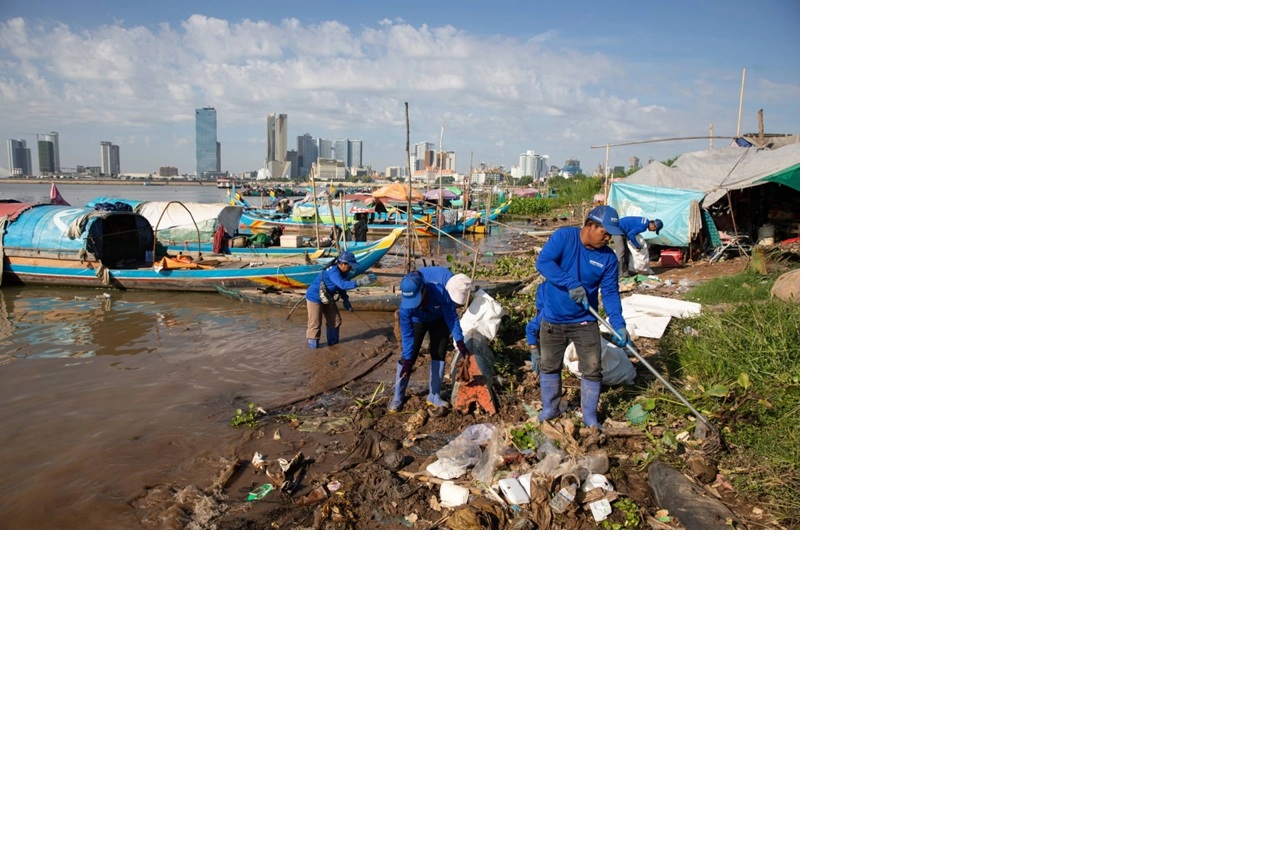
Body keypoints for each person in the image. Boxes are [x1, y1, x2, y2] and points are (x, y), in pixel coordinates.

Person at [533, 204, 630, 433]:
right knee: (549, 365)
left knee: (593, 367)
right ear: (589, 225)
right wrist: (571, 283)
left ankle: (589, 415)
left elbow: (609, 293)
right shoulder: (565, 237)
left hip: (585, 320)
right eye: (603, 232)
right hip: (553, 319)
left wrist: (618, 324)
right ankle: (550, 409)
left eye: (610, 234)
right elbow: (543, 262)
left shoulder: (608, 259)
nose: (607, 238)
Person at [388, 267, 471, 412]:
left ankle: (434, 395)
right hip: (417, 322)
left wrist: (459, 340)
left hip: (438, 320)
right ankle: (398, 397)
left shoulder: (439, 292)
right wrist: (407, 360)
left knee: (439, 352)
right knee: (409, 356)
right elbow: (407, 335)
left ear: (424, 289)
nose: (415, 303)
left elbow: (451, 317)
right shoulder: (406, 309)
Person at [304, 249, 359, 349]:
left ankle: (333, 347)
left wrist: (346, 300)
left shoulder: (344, 272)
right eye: (349, 265)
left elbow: (340, 287)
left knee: (335, 321)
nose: (350, 268)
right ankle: (313, 351)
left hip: (327, 296)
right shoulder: (333, 271)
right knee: (315, 324)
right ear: (342, 264)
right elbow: (342, 285)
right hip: (314, 297)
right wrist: (359, 282)